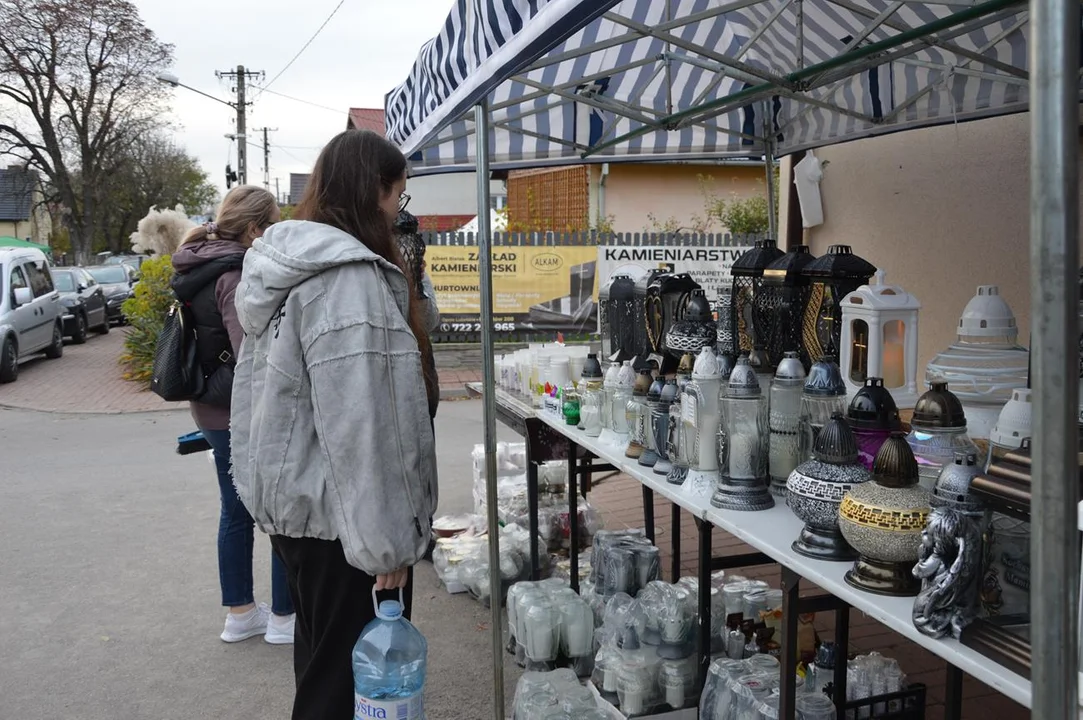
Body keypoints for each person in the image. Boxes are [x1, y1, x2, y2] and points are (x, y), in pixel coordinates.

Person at [230, 129, 438, 720]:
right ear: (373, 191)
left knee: (322, 666)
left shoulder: (298, 270)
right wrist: (386, 547)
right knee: (346, 685)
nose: (402, 207)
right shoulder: (346, 283)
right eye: (398, 192)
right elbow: (364, 427)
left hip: (305, 512)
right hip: (343, 527)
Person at [170, 185, 295, 644]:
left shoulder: (196, 260)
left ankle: (241, 613)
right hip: (240, 412)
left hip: (207, 407)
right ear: (255, 228)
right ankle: (284, 617)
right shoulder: (235, 273)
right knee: (278, 509)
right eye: (275, 222)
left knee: (236, 511)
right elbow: (251, 360)